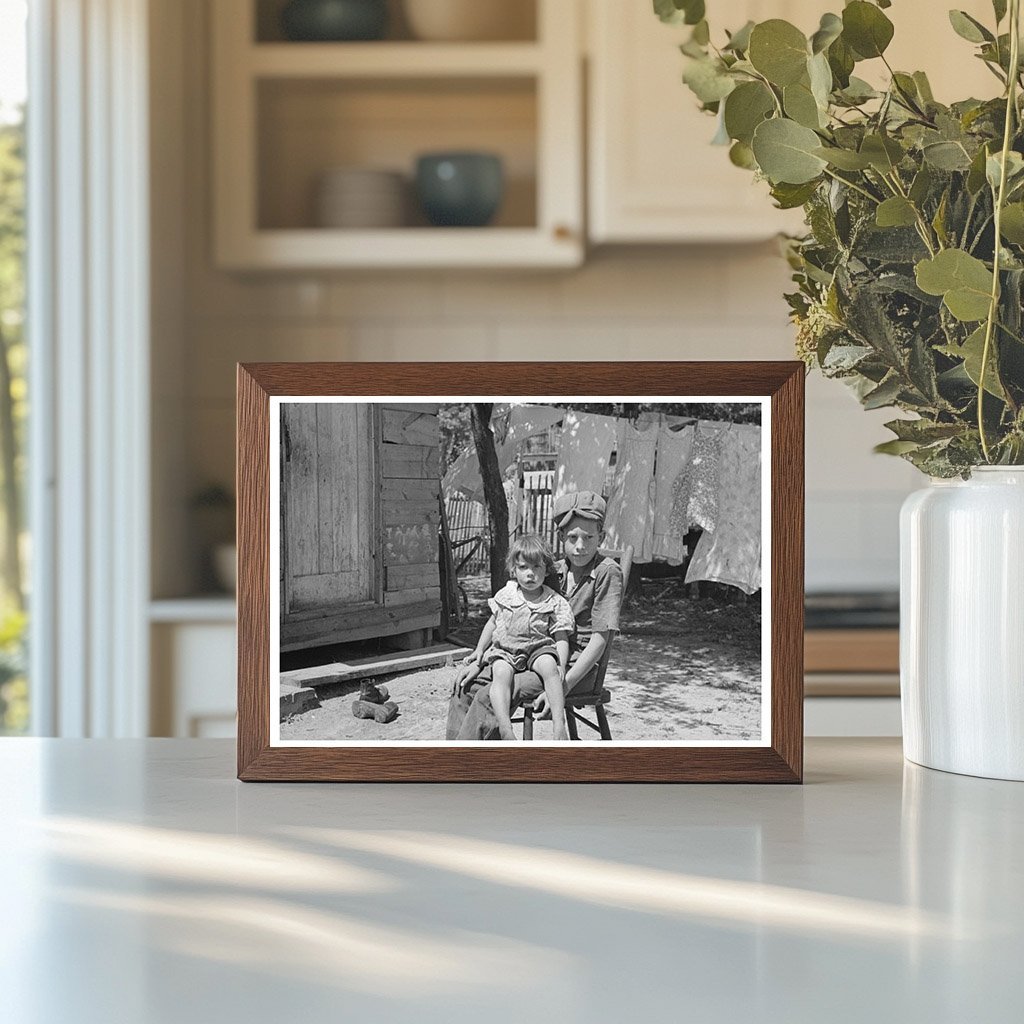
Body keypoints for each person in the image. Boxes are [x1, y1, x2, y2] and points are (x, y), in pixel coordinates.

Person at [447, 490, 624, 740]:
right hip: (533, 654)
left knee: (488, 696)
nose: (580, 546)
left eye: (589, 537)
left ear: (601, 537)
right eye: (572, 537)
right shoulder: (554, 571)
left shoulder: (607, 573)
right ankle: (457, 758)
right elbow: (507, 616)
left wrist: (563, 686)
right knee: (464, 686)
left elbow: (599, 641)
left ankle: (469, 766)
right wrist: (479, 661)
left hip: (576, 669)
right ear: (561, 536)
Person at [455, 534, 574, 741]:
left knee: (549, 667)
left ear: (546, 570)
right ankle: (505, 727)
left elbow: (561, 635)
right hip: (506, 649)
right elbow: (492, 623)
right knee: (501, 674)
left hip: (537, 648)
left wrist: (561, 664)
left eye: (536, 567)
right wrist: (480, 650)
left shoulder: (553, 600)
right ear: (514, 570)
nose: (530, 574)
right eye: (523, 568)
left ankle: (558, 725)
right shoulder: (507, 594)